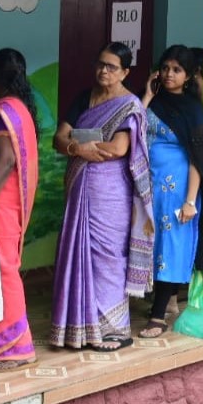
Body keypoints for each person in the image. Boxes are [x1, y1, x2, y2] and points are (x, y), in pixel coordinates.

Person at [50, 42, 153, 350]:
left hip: (111, 192)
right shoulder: (85, 97)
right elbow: (59, 137)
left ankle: (116, 330)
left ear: (125, 72)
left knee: (107, 254)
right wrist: (76, 149)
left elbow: (119, 149)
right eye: (100, 64)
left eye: (111, 67)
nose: (103, 71)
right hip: (81, 186)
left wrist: (78, 147)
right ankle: (79, 326)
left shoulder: (130, 105)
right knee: (80, 252)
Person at [140, 45, 203, 337]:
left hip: (177, 189)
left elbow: (198, 160)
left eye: (177, 70)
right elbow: (133, 126)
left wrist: (190, 201)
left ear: (188, 76)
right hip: (148, 186)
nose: (169, 74)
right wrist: (147, 94)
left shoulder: (194, 111)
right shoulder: (153, 101)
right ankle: (164, 302)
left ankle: (158, 316)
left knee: (170, 248)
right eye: (166, 68)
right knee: (149, 243)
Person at [0, 48, 40, 371]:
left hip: (1, 201)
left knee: (2, 269)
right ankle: (11, 342)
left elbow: (5, 160)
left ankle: (14, 346)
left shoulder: (3, 111)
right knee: (5, 268)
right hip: (11, 202)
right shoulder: (20, 109)